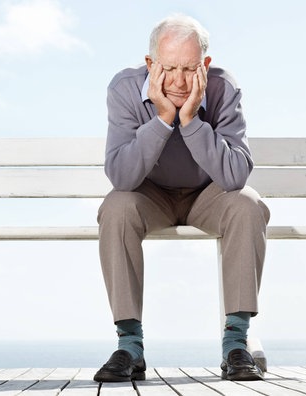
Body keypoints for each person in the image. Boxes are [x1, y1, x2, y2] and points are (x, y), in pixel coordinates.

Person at [93, 14, 270, 382]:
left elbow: (235, 175)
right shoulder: (124, 89)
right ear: (150, 64)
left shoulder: (223, 87)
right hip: (150, 194)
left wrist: (190, 121)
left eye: (189, 69)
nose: (177, 80)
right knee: (116, 207)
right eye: (168, 68)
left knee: (247, 204)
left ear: (204, 64)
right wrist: (161, 120)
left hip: (208, 195)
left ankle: (236, 343)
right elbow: (123, 178)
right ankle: (130, 346)